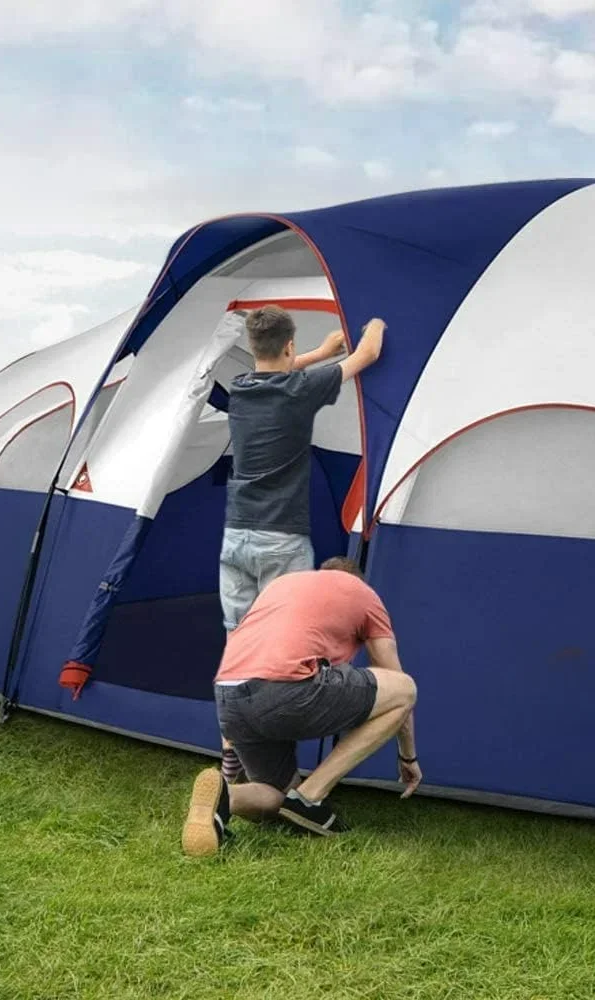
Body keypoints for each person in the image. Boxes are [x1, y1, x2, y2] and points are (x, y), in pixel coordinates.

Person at [218, 305, 387, 783]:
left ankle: (233, 757)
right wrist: (374, 318)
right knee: (284, 652)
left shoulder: (243, 391)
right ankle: (280, 769)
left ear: (254, 350)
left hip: (237, 538)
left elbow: (279, 368)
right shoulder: (300, 390)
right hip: (280, 540)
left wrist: (320, 351)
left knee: (240, 649)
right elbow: (370, 352)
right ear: (289, 345)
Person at [183, 558, 420, 857]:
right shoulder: (364, 594)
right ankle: (310, 797)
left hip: (228, 696)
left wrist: (229, 751)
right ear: (356, 579)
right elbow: (394, 678)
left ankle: (224, 797)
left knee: (277, 797)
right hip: (285, 691)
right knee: (405, 689)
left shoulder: (282, 586)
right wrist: (407, 756)